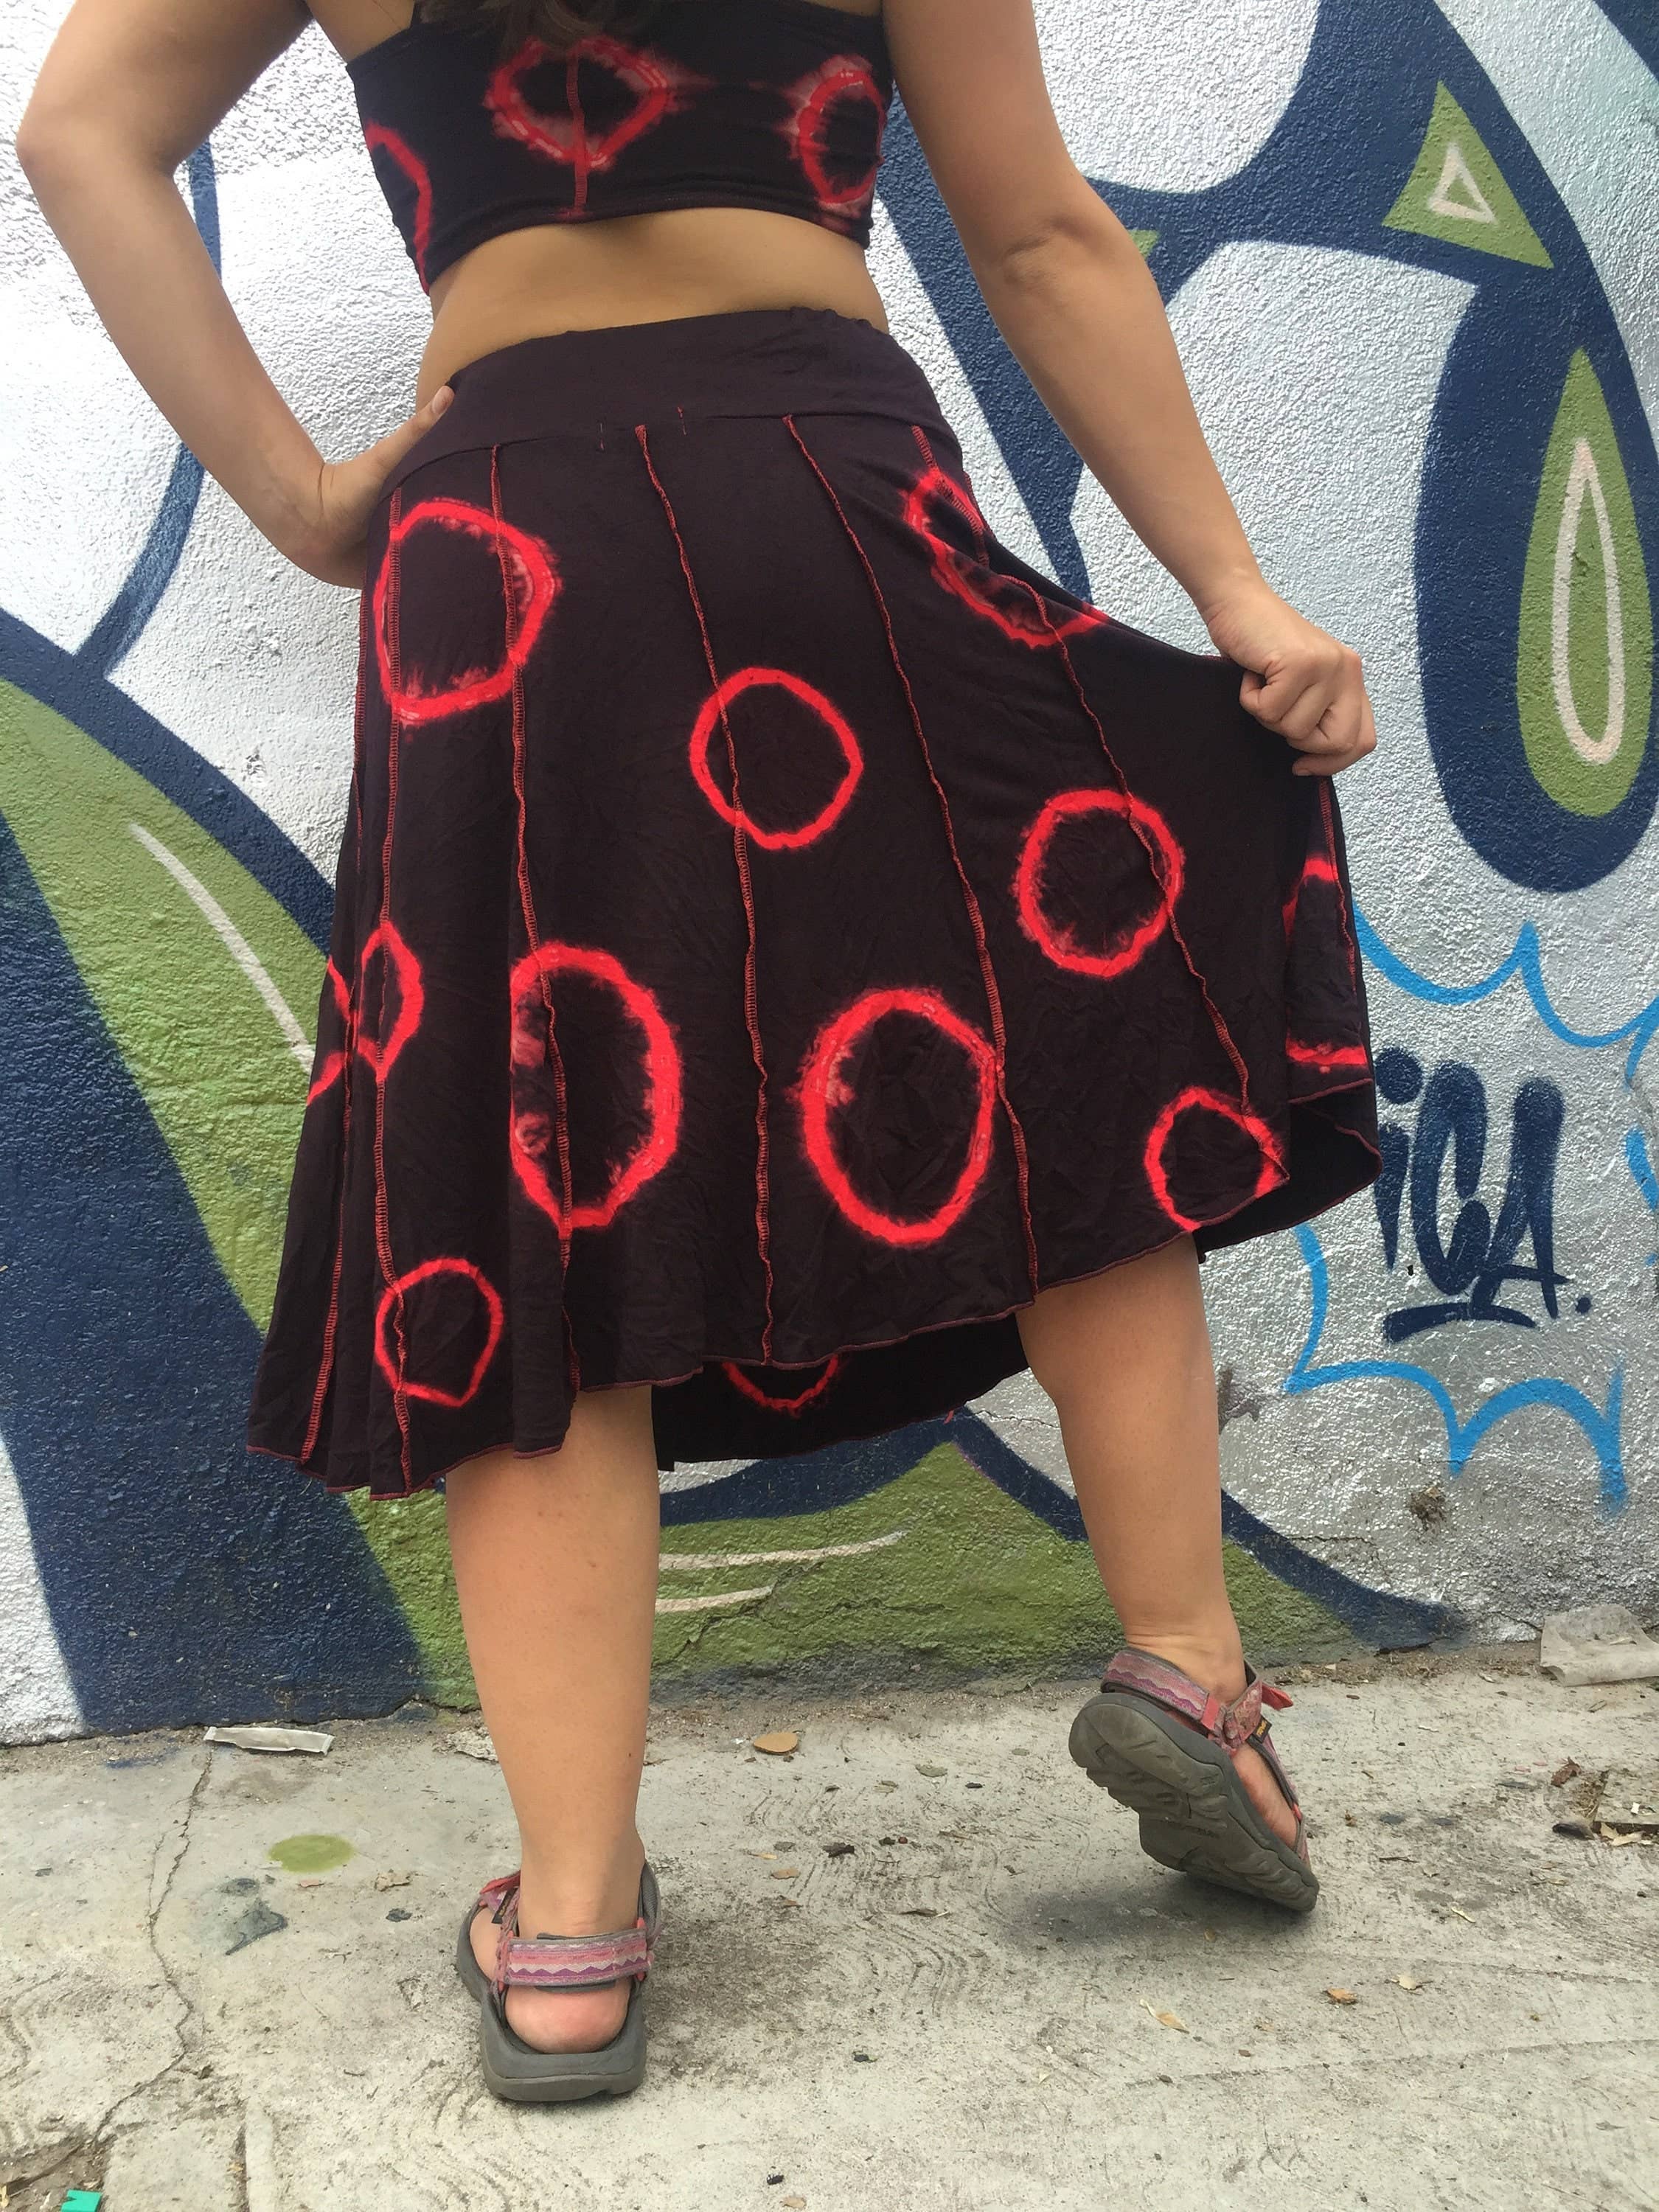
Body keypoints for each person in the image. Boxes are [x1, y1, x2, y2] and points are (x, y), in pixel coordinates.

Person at [19, 0, 1381, 2104]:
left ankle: (572, 1929)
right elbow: (1039, 239)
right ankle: (1188, 1671)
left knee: (530, 1170)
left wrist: (301, 499)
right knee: (1056, 1032)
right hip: (827, 488)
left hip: (500, 553)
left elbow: (79, 133)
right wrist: (1240, 598)